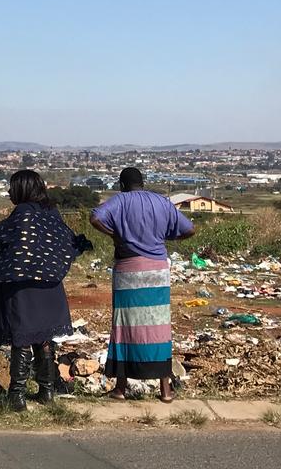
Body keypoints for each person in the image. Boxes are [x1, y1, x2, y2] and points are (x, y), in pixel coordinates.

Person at [0, 169, 92, 410]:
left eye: (12, 187)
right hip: (50, 285)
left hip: (23, 286)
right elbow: (64, 241)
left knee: (21, 337)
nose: (10, 191)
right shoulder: (51, 213)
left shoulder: (22, 213)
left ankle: (17, 396)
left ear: (22, 188)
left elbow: (5, 243)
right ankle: (47, 392)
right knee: (43, 338)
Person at [90, 167, 195, 403]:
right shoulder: (162, 202)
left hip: (128, 269)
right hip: (157, 270)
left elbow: (95, 217)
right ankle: (165, 391)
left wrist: (115, 236)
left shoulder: (121, 200)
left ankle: (120, 389)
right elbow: (190, 229)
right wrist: (167, 237)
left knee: (125, 327)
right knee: (159, 327)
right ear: (143, 183)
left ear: (122, 184)